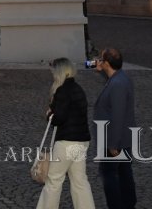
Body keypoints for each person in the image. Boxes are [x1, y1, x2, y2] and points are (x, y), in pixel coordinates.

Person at [36, 58, 95, 209]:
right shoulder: (78, 88)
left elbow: (59, 118)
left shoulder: (62, 91)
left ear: (59, 72)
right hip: (81, 141)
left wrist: (49, 114)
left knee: (54, 181)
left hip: (66, 142)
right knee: (80, 181)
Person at [94, 47, 136, 209]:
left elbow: (118, 115)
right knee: (125, 173)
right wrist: (101, 71)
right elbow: (111, 81)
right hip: (124, 137)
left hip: (115, 139)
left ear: (107, 63)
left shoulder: (117, 84)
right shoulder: (121, 78)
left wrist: (112, 144)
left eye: (101, 59)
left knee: (109, 174)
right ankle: (128, 204)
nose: (98, 60)